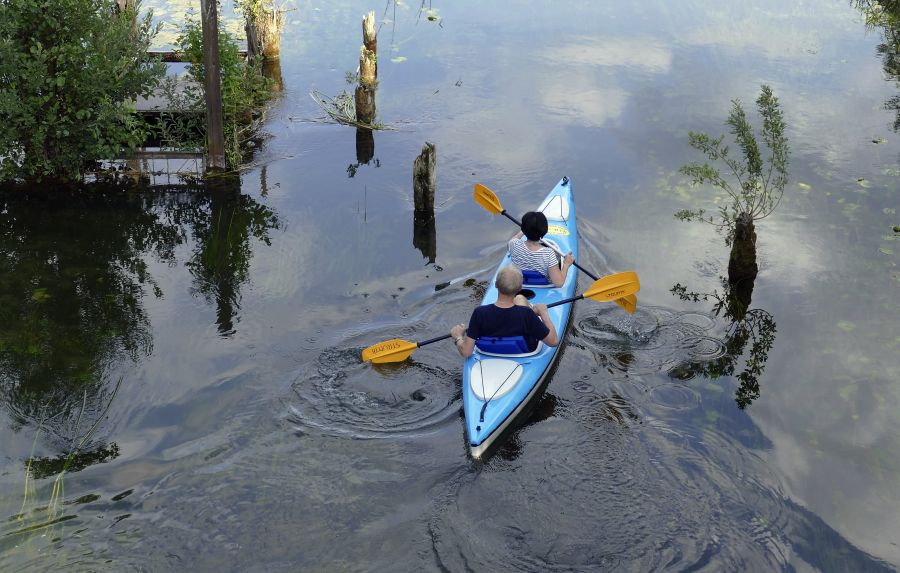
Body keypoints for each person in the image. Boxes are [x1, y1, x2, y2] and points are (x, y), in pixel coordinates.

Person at [450, 265, 559, 358]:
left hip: (489, 353)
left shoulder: (479, 313)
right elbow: (553, 342)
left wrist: (458, 337)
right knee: (520, 299)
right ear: (519, 288)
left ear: (496, 285)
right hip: (523, 353)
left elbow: (466, 352)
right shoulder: (526, 314)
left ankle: (520, 299)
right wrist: (544, 313)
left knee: (519, 299)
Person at [507, 211, 574, 287]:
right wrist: (566, 264)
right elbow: (559, 283)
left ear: (523, 229)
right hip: (543, 286)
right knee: (557, 258)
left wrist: (524, 230)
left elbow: (515, 238)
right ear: (544, 231)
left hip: (519, 282)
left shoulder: (514, 244)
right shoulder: (549, 253)